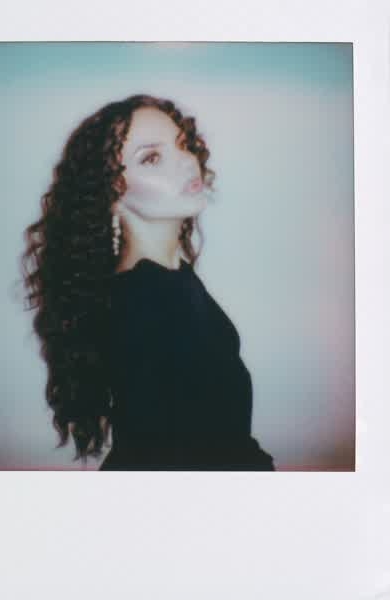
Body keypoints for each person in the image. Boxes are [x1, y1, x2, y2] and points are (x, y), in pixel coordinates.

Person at [21, 93, 275, 471]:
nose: (186, 162)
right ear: (111, 192)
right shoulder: (141, 303)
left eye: (182, 145)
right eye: (152, 158)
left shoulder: (170, 281)